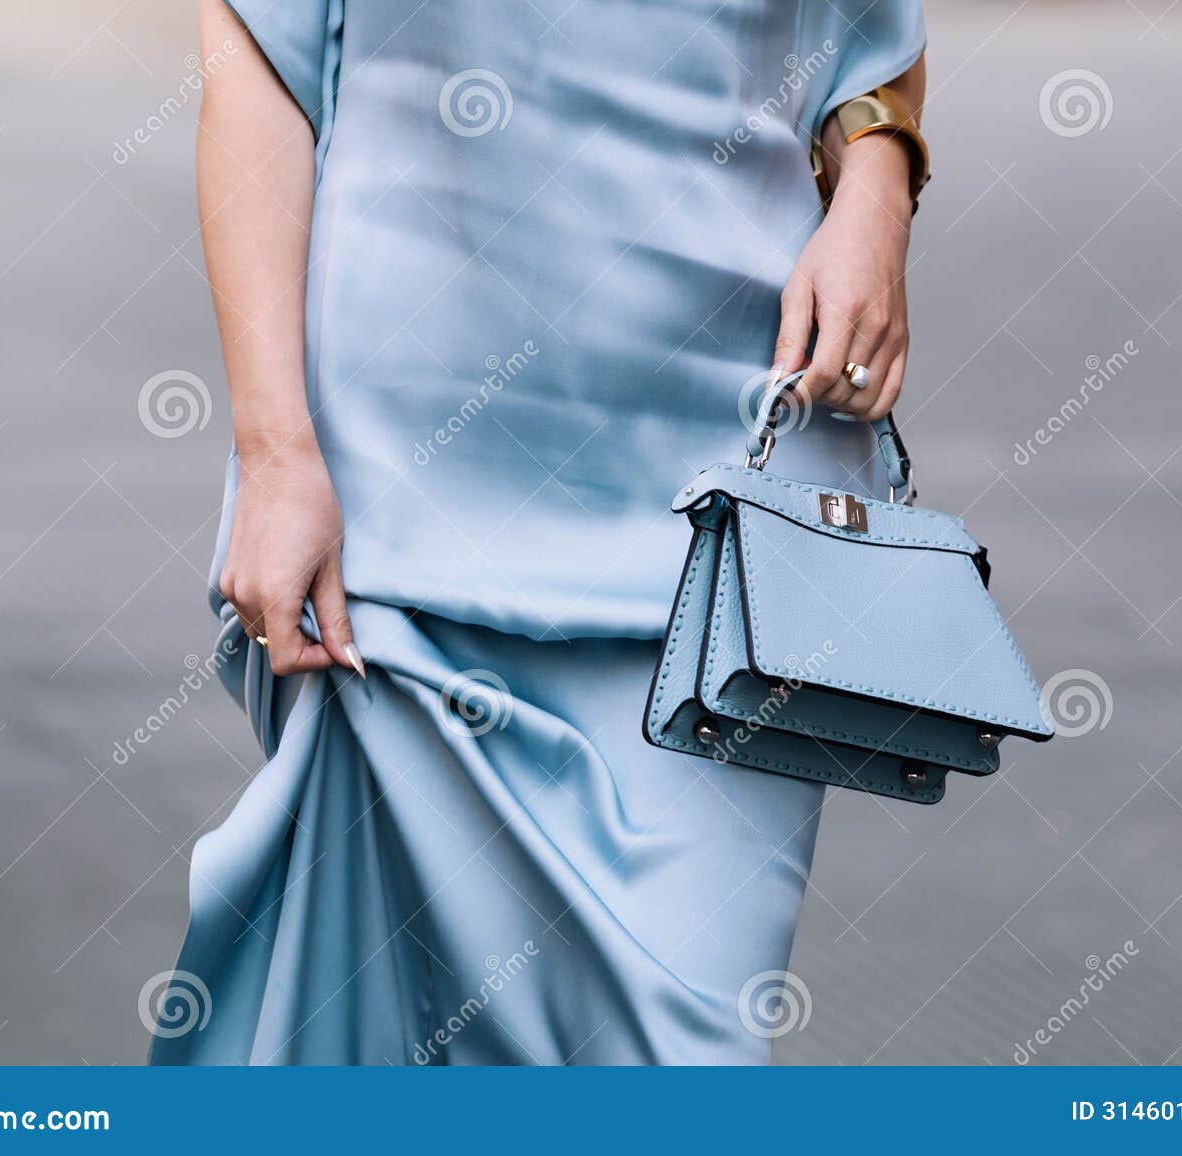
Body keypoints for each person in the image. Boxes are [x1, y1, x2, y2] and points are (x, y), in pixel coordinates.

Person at [152, 0, 930, 1065]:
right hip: (402, 501)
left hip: (723, 500)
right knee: (380, 1037)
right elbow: (255, 67)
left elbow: (869, 46)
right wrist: (275, 454)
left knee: (680, 1051)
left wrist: (875, 203)